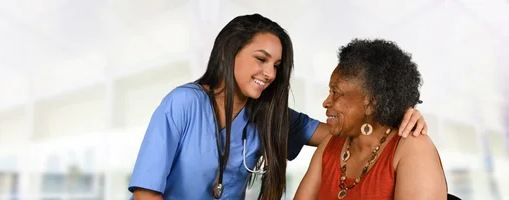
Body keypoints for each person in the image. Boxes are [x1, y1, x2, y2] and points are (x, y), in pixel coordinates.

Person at [128, 14, 428, 200]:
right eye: (261, 59)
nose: (270, 73)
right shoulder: (183, 103)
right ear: (229, 52)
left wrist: (397, 113)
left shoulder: (271, 116)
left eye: (277, 65)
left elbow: (354, 133)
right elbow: (145, 192)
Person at [293, 39, 447, 200]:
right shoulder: (330, 144)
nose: (326, 102)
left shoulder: (414, 148)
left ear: (371, 102)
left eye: (336, 92)